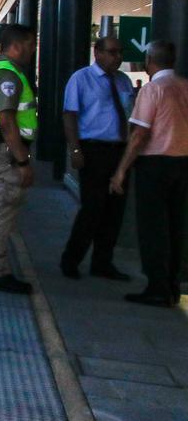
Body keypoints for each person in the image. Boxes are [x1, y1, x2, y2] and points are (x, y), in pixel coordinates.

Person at [109, 41, 188, 307]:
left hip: (155, 166)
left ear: (149, 60)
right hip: (183, 164)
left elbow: (140, 134)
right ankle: (172, 285)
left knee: (153, 228)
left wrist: (121, 170)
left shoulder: (153, 89)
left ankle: (156, 287)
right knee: (176, 227)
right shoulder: (185, 86)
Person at [59, 37, 134, 280]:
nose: (118, 57)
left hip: (120, 152)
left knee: (115, 211)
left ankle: (103, 263)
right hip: (93, 151)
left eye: (120, 52)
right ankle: (71, 259)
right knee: (92, 209)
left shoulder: (123, 81)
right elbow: (70, 115)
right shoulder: (81, 79)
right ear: (97, 53)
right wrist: (75, 150)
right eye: (112, 52)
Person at [0, 24, 38, 294]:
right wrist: (23, 161)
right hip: (6, 151)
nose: (34, 50)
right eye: (31, 44)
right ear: (17, 45)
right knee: (2, 211)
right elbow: (7, 120)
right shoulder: (8, 75)